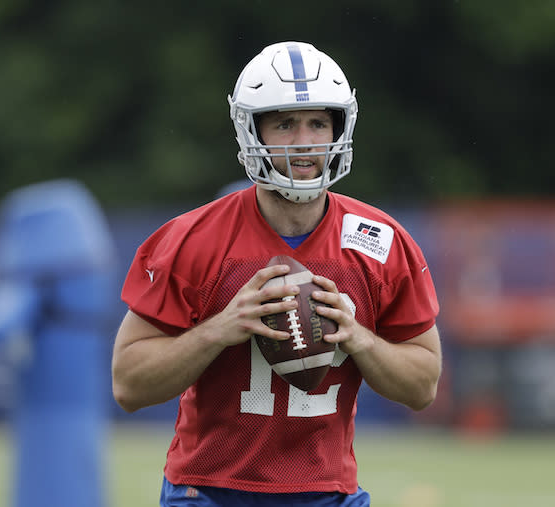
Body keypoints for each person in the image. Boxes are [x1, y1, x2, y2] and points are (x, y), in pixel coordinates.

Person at [111, 41, 442, 507]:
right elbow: (128, 385)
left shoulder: (380, 242)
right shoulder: (193, 239)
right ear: (252, 131)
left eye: (318, 123)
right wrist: (218, 331)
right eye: (285, 123)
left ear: (340, 128)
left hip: (327, 492)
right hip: (208, 491)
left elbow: (423, 386)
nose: (305, 140)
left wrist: (360, 339)